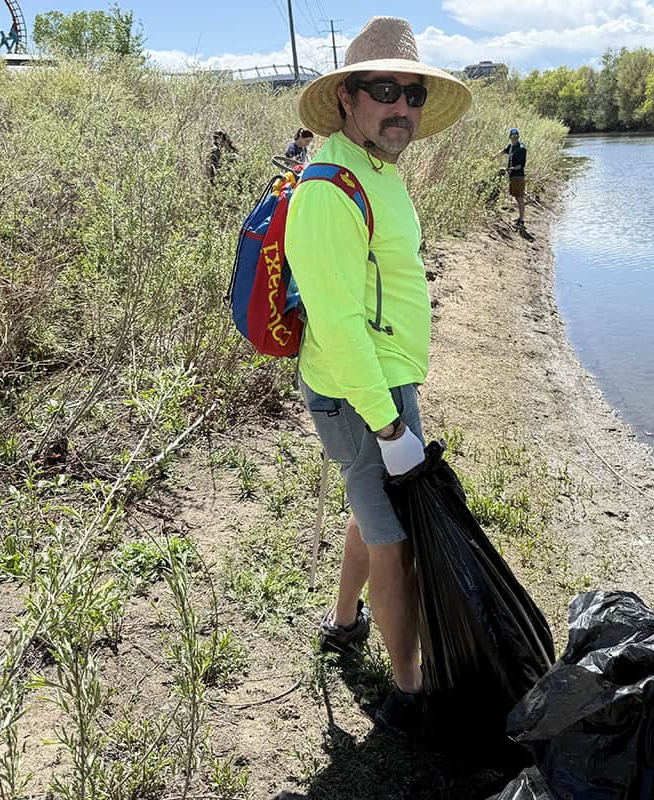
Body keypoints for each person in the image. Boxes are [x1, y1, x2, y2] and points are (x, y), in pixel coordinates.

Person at [285, 16, 472, 736]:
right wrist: (390, 425)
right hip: (359, 395)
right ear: (347, 100)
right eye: (385, 90)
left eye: (413, 93)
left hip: (385, 383)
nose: (402, 107)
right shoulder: (328, 188)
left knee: (373, 509)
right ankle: (410, 690)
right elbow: (335, 322)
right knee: (394, 539)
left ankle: (342, 621)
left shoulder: (380, 171)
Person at [496, 127, 527, 226]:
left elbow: (521, 165)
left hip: (518, 176)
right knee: (516, 197)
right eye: (513, 136)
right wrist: (493, 157)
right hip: (512, 176)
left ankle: (521, 220)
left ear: (518, 137)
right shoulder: (510, 147)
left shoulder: (522, 148)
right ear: (510, 137)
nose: (515, 138)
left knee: (520, 197)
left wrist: (512, 169)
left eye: (516, 136)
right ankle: (520, 218)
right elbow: (503, 151)